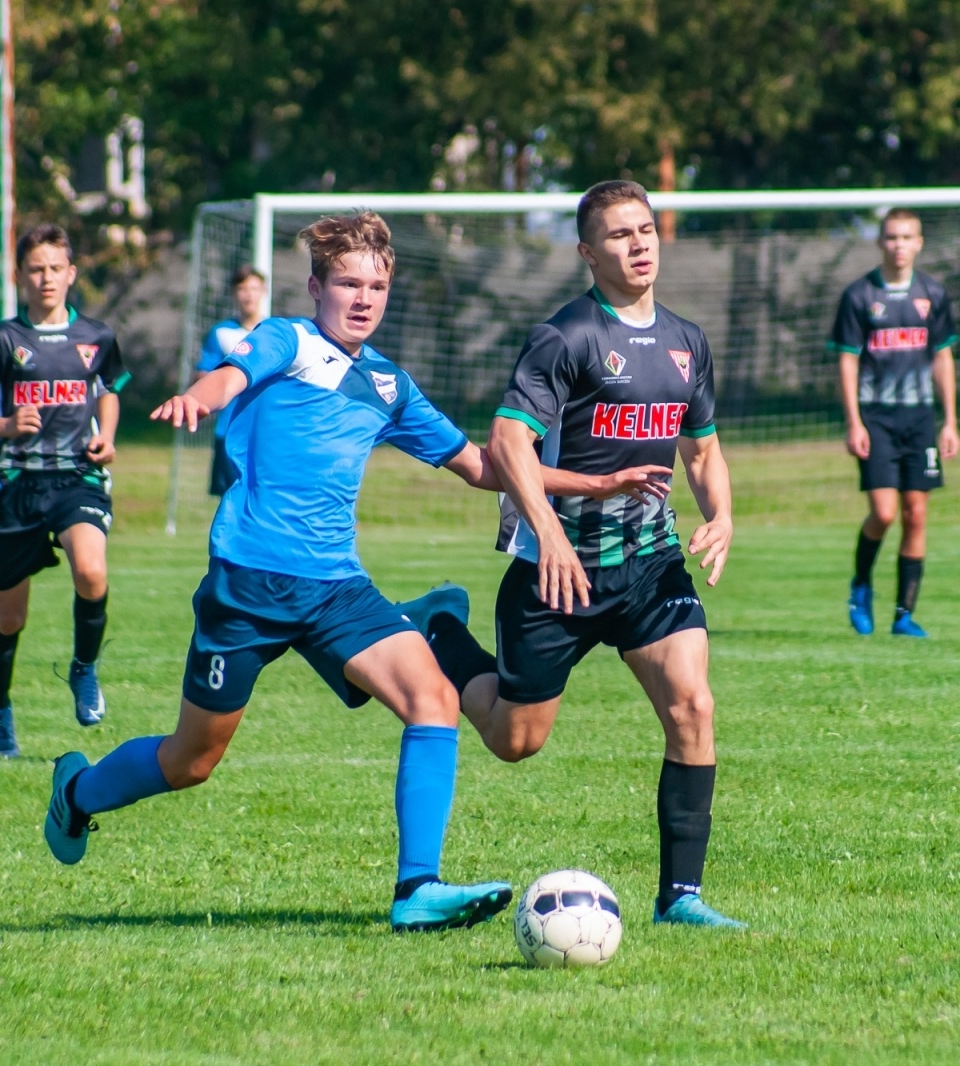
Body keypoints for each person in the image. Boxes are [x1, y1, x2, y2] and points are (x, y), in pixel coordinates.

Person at [40, 211, 654, 931]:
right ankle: (77, 794)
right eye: (349, 284)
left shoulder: (389, 385)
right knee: (191, 761)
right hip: (249, 586)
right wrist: (193, 400)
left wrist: (591, 484)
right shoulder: (287, 340)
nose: (364, 299)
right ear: (316, 287)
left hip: (337, 587)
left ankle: (416, 890)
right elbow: (229, 378)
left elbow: (484, 467)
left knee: (432, 697)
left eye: (378, 286)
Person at [409, 180, 745, 929]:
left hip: (651, 565)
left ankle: (680, 897)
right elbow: (507, 443)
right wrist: (553, 534)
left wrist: (721, 513)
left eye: (648, 229)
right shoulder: (567, 336)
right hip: (554, 571)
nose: (640, 244)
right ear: (588, 253)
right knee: (515, 741)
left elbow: (703, 450)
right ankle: (438, 633)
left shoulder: (688, 341)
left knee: (694, 706)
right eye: (621, 235)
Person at [0, 222, 128, 759]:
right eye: (36, 269)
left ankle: (83, 668)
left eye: (55, 268)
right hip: (16, 486)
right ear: (20, 276)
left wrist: (109, 439)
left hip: (76, 477)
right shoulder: (1, 341)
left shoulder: (95, 338)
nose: (46, 278)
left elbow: (110, 390)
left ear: (71, 274)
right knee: (11, 616)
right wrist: (5, 426)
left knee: (91, 571)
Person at [829, 208, 959, 638]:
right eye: (891, 237)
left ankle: (904, 615)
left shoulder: (932, 294)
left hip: (920, 418)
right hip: (877, 417)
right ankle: (860, 586)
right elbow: (847, 361)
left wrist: (950, 421)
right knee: (884, 513)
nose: (899, 245)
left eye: (907, 237)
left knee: (916, 513)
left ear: (919, 243)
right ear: (880, 242)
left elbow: (942, 357)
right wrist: (854, 422)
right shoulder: (860, 296)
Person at [194, 265, 268, 496]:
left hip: (267, 430)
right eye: (242, 288)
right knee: (231, 498)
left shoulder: (274, 333)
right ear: (234, 293)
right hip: (230, 430)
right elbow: (204, 374)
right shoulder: (222, 333)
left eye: (254, 288)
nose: (248, 294)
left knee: (264, 498)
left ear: (263, 291)